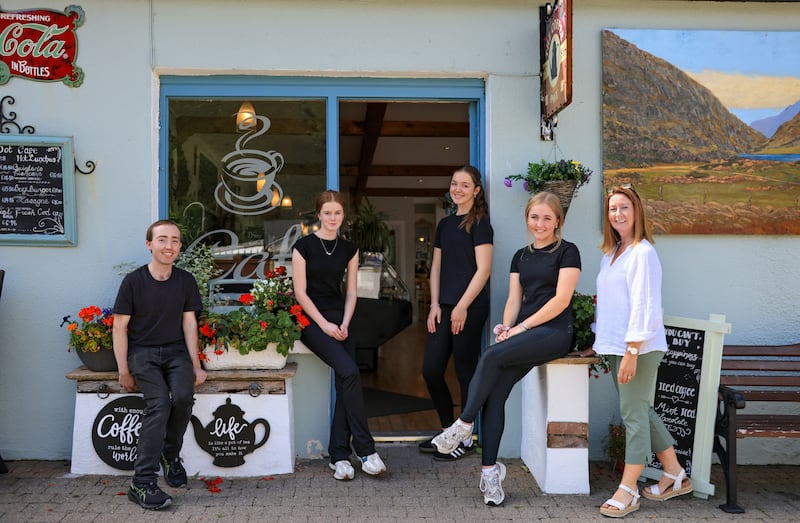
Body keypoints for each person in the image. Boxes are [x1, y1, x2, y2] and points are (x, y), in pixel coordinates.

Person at [432, 192, 581, 506]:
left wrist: (521, 329)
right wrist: (505, 325)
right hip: (525, 332)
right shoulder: (520, 255)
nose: (539, 224)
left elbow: (561, 301)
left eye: (546, 218)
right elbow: (515, 300)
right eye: (534, 217)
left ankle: (463, 424)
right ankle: (490, 473)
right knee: (495, 393)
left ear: (558, 222)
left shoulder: (568, 252)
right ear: (527, 219)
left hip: (554, 332)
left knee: (488, 356)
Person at [594, 185, 692, 518]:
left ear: (637, 211)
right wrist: (599, 343)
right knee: (641, 411)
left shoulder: (642, 252)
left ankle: (628, 490)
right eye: (612, 209)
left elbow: (644, 305)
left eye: (624, 207)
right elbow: (612, 305)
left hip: (637, 347)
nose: (618, 214)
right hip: (615, 347)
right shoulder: (612, 252)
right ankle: (674, 474)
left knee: (633, 417)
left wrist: (632, 350)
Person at [113, 219, 208, 510]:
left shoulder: (185, 281)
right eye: (163, 239)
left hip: (176, 353)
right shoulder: (133, 281)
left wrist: (196, 364)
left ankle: (170, 454)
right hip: (143, 354)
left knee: (182, 397)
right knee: (159, 405)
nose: (169, 246)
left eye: (175, 240)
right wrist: (123, 370)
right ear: (149, 244)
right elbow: (119, 327)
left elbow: (190, 324)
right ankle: (141, 482)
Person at [292, 190, 386, 481]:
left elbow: (352, 292)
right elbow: (300, 293)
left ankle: (339, 457)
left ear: (343, 215)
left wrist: (344, 322)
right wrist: (324, 325)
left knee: (349, 378)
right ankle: (366, 449)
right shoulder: (303, 246)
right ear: (318, 214)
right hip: (311, 320)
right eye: (327, 213)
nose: (333, 218)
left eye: (338, 213)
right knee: (349, 371)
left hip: (340, 318)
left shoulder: (349, 248)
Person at [419, 165, 493, 461]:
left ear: (476, 190)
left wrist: (462, 306)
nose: (458, 189)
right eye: (454, 184)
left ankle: (466, 439)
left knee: (465, 371)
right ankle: (447, 433)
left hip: (470, 307)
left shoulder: (481, 223)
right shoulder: (445, 225)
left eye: (465, 185)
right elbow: (435, 267)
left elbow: (484, 269)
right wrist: (434, 304)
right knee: (431, 369)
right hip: (444, 306)